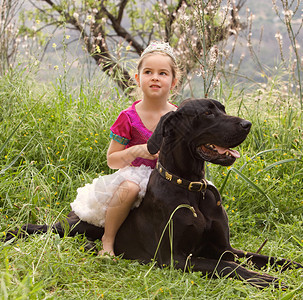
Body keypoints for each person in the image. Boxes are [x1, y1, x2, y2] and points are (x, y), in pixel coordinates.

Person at [70, 41, 180, 257]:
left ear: (173, 81)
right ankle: (108, 240)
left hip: (166, 176)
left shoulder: (178, 116)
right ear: (138, 79)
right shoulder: (128, 117)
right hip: (134, 175)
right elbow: (112, 160)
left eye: (162, 73)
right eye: (148, 72)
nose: (155, 77)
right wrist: (136, 151)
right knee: (129, 189)